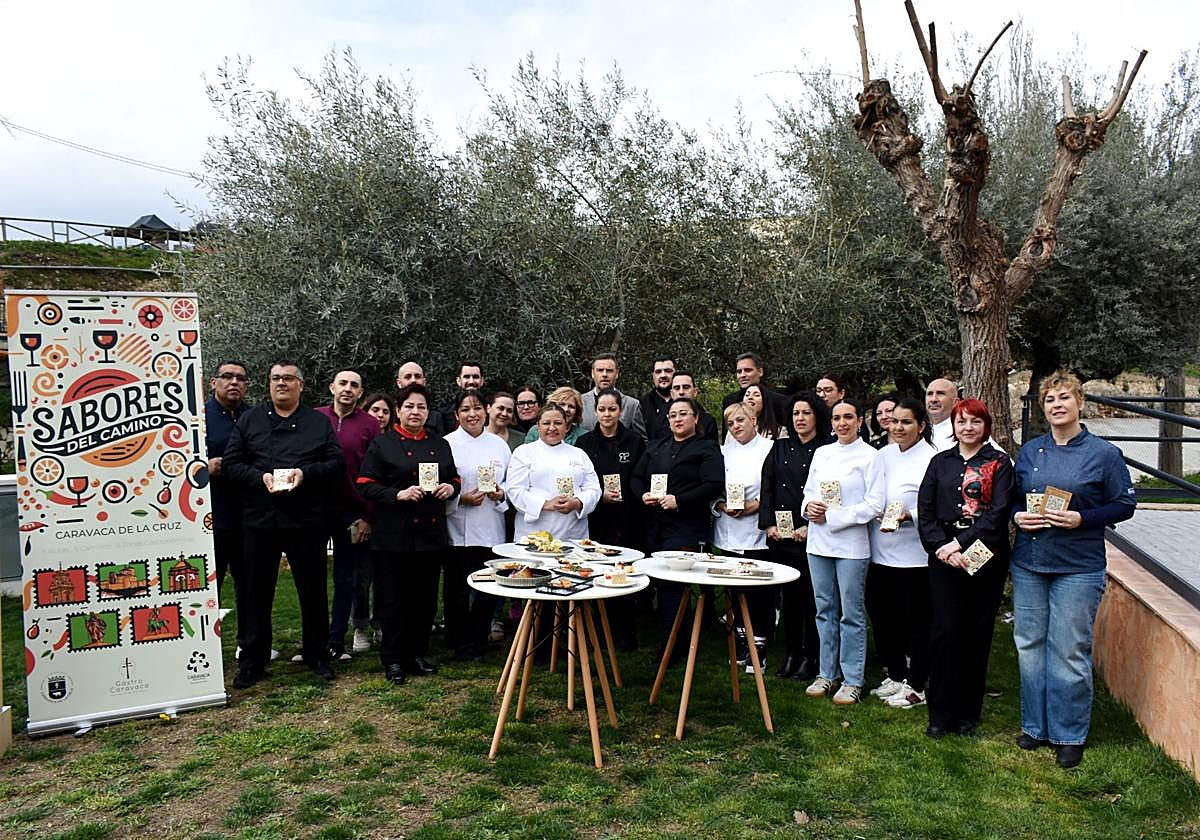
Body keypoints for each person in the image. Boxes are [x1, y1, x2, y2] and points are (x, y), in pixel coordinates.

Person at [1011, 371, 1135, 768]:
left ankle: (1068, 733)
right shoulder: (1030, 451)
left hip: (1077, 566)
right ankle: (1035, 726)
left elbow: (1124, 504)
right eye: (1050, 399)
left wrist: (1084, 518)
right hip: (1030, 562)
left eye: (1065, 398)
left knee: (1068, 650)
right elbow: (1014, 498)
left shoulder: (1103, 454)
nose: (1057, 405)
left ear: (1080, 402)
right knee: (1030, 646)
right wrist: (1017, 516)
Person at [223, 362, 345, 688]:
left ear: (300, 385)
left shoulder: (317, 422)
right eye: (276, 378)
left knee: (313, 589)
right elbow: (232, 464)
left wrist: (306, 474)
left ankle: (316, 655)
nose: (281, 384)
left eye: (288, 379)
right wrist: (259, 477)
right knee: (255, 592)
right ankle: (253, 660)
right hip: (259, 519)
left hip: (306, 519)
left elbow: (336, 463)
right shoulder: (251, 420)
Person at [917, 398, 1015, 738]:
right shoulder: (939, 463)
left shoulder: (1000, 464)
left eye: (975, 422)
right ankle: (939, 714)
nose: (968, 428)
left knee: (976, 634)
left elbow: (998, 513)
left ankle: (966, 714)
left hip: (985, 556)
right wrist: (942, 548)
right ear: (954, 426)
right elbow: (926, 512)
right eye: (962, 421)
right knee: (944, 633)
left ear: (985, 426)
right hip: (944, 556)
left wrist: (962, 544)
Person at [356, 383, 460, 686]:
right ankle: (393, 660)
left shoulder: (440, 443)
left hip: (430, 533)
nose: (416, 412)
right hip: (394, 535)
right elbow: (364, 483)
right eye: (410, 407)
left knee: (424, 600)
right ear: (398, 411)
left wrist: (451, 487)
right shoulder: (383, 443)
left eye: (422, 407)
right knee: (392, 599)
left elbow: (453, 476)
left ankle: (417, 654)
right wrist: (396, 494)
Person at [801, 398, 884, 705]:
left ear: (860, 420)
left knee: (851, 613)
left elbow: (875, 504)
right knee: (824, 610)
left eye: (848, 417)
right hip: (819, 543)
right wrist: (808, 508)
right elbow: (809, 492)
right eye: (837, 418)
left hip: (851, 546)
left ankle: (852, 679)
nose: (842, 423)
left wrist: (834, 517)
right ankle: (826, 672)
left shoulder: (870, 457)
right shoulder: (822, 453)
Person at [632, 397, 724, 657]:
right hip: (654, 525)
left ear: (696, 418)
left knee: (674, 585)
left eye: (684, 414)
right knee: (661, 583)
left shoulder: (706, 448)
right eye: (673, 415)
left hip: (686, 526)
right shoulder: (657, 446)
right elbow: (637, 477)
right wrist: (643, 495)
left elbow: (713, 484)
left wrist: (680, 500)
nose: (678, 419)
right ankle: (672, 638)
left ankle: (673, 648)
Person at [866, 398, 937, 708]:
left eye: (906, 422)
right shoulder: (882, 455)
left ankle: (917, 683)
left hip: (915, 557)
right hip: (880, 552)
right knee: (883, 616)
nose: (898, 427)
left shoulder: (933, 459)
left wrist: (911, 515)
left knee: (917, 622)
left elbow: (936, 506)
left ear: (921, 426)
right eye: (894, 421)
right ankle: (895, 673)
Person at [758, 391, 831, 681]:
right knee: (788, 598)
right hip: (781, 536)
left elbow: (827, 493)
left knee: (811, 599)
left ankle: (812, 655)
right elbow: (767, 485)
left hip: (812, 535)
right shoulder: (779, 447)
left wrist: (809, 525)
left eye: (806, 413)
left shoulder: (827, 448)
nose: (800, 419)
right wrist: (768, 524)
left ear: (817, 417)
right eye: (796, 414)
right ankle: (791, 653)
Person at [316, 369, 381, 661]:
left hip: (352, 514)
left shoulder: (370, 425)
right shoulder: (315, 418)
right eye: (342, 383)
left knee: (347, 580)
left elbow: (376, 473)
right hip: (315, 512)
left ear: (360, 392)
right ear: (332, 387)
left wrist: (368, 516)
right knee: (313, 579)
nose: (348, 389)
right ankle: (314, 641)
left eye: (354, 385)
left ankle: (335, 641)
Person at [577, 388, 647, 650]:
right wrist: (599, 497)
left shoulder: (634, 441)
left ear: (621, 411)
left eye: (612, 409)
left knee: (625, 574)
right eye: (602, 409)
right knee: (597, 573)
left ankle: (625, 634)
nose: (607, 414)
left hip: (628, 518)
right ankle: (598, 633)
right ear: (595, 411)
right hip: (597, 519)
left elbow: (641, 477)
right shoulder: (584, 444)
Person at [444, 389, 512, 661]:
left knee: (488, 588)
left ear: (486, 410)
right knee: (457, 590)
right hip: (457, 528)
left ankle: (477, 638)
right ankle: (460, 642)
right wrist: (460, 499)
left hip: (490, 526)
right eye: (465, 410)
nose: (471, 414)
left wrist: (501, 493)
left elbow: (511, 483)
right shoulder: (446, 443)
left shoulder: (499, 446)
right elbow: (440, 484)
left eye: (476, 408)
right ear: (457, 415)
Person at [713, 401, 774, 671]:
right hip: (728, 530)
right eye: (730, 423)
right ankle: (738, 642)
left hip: (755, 533)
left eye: (740, 420)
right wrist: (723, 505)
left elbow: (775, 489)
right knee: (734, 592)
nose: (736, 426)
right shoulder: (722, 453)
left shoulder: (769, 450)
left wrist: (755, 505)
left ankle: (759, 647)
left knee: (758, 593)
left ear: (753, 419)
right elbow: (712, 488)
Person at [507, 403, 602, 541]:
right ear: (538, 426)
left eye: (558, 423)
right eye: (546, 423)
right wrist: (545, 504)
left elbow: (594, 489)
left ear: (565, 426)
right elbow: (514, 490)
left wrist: (577, 503)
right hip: (533, 534)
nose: (552, 428)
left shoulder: (579, 454)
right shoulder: (524, 452)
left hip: (573, 535)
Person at [204, 361, 249, 605]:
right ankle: (211, 642)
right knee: (212, 584)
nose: (234, 382)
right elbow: (176, 462)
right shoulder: (198, 418)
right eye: (227, 377)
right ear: (214, 382)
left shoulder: (254, 417)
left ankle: (250, 643)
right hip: (212, 518)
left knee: (250, 586)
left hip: (247, 516)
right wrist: (205, 467)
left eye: (240, 379)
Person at [580, 353, 646, 438]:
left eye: (609, 370)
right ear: (593, 373)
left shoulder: (632, 405)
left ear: (617, 373)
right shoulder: (580, 402)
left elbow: (641, 441)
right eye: (600, 370)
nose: (604, 374)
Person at [721, 352, 789, 418]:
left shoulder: (780, 401)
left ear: (760, 372)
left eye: (747, 370)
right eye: (739, 372)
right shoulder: (729, 401)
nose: (742, 375)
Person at [395, 361, 448, 434]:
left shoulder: (436, 417)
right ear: (399, 383)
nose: (413, 380)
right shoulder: (389, 414)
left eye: (417, 376)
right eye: (408, 377)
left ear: (424, 382)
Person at [434, 361, 486, 435]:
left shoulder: (490, 412)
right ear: (458, 381)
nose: (471, 381)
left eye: (475, 377)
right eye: (466, 377)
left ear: (482, 381)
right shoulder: (444, 413)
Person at [669, 371, 719, 440]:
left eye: (686, 387)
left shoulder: (708, 421)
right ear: (671, 394)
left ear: (695, 392)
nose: (681, 392)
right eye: (677, 388)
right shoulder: (660, 420)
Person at [640, 356, 677, 441]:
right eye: (658, 372)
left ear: (675, 373)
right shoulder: (642, 404)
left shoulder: (687, 402)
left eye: (668, 371)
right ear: (653, 375)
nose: (663, 375)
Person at [925, 377, 959, 451]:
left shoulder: (965, 431)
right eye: (930, 394)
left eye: (940, 394)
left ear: (955, 402)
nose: (933, 399)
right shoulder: (918, 430)